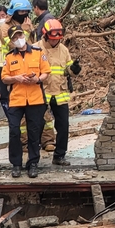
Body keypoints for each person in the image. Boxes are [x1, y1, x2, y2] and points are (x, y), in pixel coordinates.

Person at [1, 25, 49, 178]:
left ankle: (33, 163)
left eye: (19, 36)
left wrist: (37, 79)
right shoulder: (9, 57)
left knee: (34, 131)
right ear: (11, 41)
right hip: (16, 99)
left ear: (24, 35)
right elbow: (4, 78)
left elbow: (46, 72)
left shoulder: (38, 52)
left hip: (35, 99)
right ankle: (16, 164)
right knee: (14, 130)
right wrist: (16, 78)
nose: (18, 39)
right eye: (14, 38)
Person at [41, 19, 80, 166]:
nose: (54, 42)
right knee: (37, 125)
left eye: (57, 39)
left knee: (63, 126)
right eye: (52, 39)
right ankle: (33, 159)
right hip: (42, 93)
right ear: (45, 35)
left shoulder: (63, 50)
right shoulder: (37, 48)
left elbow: (67, 70)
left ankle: (59, 156)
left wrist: (74, 69)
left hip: (60, 93)